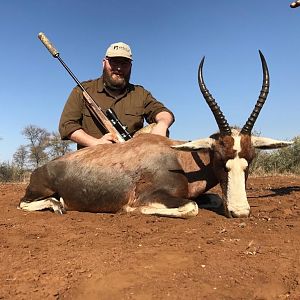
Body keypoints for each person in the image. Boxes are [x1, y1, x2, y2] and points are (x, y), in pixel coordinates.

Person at [59, 41, 174, 149]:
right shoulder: (82, 90)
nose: (119, 68)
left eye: (124, 63)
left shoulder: (140, 93)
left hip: (132, 160)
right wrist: (96, 143)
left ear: (130, 66)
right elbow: (67, 125)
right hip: (91, 163)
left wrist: (162, 124)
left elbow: (163, 112)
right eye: (114, 62)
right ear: (104, 63)